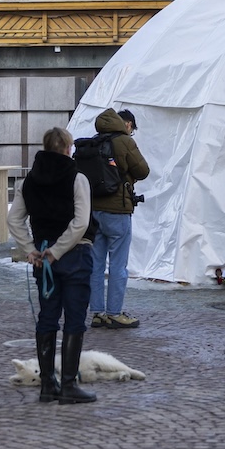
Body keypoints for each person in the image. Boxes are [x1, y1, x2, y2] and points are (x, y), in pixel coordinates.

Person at [8, 127, 97, 404]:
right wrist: (57, 251)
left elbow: (14, 220)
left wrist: (31, 249)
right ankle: (68, 385)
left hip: (43, 255)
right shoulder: (77, 178)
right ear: (68, 148)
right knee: (74, 318)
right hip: (74, 254)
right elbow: (81, 223)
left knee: (47, 317)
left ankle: (48, 384)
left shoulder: (29, 181)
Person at [88, 108, 150, 329]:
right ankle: (114, 313)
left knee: (96, 264)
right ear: (128, 124)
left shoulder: (93, 141)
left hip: (94, 210)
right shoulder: (125, 142)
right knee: (118, 265)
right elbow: (143, 171)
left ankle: (97, 313)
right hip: (118, 210)